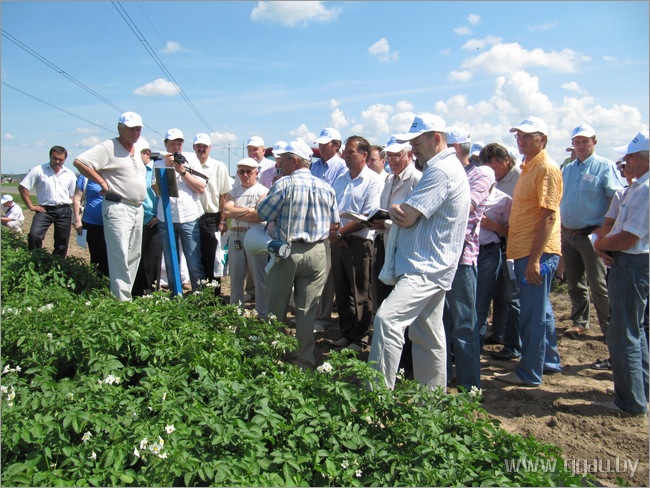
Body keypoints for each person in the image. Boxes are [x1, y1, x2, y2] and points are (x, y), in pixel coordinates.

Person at [368, 114, 470, 390]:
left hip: (424, 267)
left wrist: (394, 209)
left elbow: (408, 216)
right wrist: (400, 209)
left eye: (417, 142)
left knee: (387, 320)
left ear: (436, 138)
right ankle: (431, 404)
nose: (413, 149)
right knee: (427, 334)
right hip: (432, 264)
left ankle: (375, 400)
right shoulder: (444, 168)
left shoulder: (440, 171)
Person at [256, 139, 340, 368]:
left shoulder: (284, 185)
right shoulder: (326, 187)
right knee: (307, 311)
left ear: (294, 161)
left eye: (282, 159)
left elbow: (263, 212)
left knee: (276, 307)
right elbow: (335, 223)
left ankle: (273, 357)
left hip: (287, 251)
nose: (279, 163)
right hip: (318, 251)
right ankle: (303, 360)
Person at [493, 116, 563, 387]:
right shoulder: (530, 167)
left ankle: (529, 372)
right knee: (540, 311)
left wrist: (535, 259)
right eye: (518, 136)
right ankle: (547, 361)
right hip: (528, 251)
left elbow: (548, 215)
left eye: (527, 135)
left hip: (536, 253)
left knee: (532, 313)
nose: (521, 140)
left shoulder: (545, 167)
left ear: (542, 139)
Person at [592, 130, 649, 416]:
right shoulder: (637, 188)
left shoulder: (646, 190)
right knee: (633, 330)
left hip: (632, 264)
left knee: (624, 332)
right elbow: (614, 225)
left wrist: (600, 244)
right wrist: (604, 245)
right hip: (627, 263)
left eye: (630, 156)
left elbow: (629, 237)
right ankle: (641, 393)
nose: (625, 161)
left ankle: (631, 402)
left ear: (644, 158)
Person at [74, 112, 147, 301]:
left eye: (138, 129)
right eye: (131, 129)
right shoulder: (109, 147)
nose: (135, 133)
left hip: (136, 208)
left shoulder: (136, 149)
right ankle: (121, 301)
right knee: (119, 254)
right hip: (118, 207)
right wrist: (101, 182)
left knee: (133, 254)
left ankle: (125, 295)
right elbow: (80, 162)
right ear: (120, 128)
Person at [443, 127, 494, 391]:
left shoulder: (481, 173)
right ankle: (449, 377)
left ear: (455, 148)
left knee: (464, 324)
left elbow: (466, 205)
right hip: (443, 257)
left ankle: (469, 386)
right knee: (443, 322)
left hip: (463, 258)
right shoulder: (449, 173)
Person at [560, 124, 622, 340]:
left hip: (591, 233)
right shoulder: (567, 169)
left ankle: (609, 328)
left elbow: (615, 199)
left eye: (585, 141)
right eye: (577, 142)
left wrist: (604, 229)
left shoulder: (605, 167)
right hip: (568, 233)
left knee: (598, 284)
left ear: (594, 142)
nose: (580, 145)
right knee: (575, 281)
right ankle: (579, 322)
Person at [369, 136, 422, 379]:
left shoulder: (417, 180)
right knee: (383, 300)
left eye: (397, 156)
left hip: (405, 251)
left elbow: (414, 220)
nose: (392, 161)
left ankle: (406, 363)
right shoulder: (389, 179)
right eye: (389, 157)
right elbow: (383, 208)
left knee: (400, 310)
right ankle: (392, 358)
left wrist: (387, 222)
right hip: (385, 244)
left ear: (409, 155)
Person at [330, 136, 382, 352]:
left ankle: (360, 338)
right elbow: (331, 207)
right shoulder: (341, 179)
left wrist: (340, 232)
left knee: (361, 293)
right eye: (345, 151)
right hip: (337, 241)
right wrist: (334, 233)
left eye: (351, 152)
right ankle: (346, 332)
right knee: (342, 292)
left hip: (359, 243)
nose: (346, 156)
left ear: (364, 155)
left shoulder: (373, 181)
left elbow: (369, 216)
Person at [478, 143, 522, 361]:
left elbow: (513, 227)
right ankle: (498, 334)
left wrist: (494, 226)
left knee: (511, 297)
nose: (490, 173)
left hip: (511, 246)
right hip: (491, 249)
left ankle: (512, 344)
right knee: (492, 294)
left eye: (493, 168)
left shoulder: (518, 181)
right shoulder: (483, 184)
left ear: (505, 160)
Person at [154, 128, 206, 292]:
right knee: (170, 261)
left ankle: (199, 295)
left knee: (193, 260)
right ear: (166, 144)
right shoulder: (158, 163)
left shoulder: (191, 160)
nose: (176, 147)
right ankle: (176, 294)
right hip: (166, 217)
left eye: (179, 143)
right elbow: (156, 190)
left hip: (188, 216)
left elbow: (201, 187)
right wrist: (168, 169)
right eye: (172, 143)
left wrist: (182, 171)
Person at [311, 128, 347, 328]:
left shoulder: (342, 167)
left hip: (328, 227)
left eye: (326, 144)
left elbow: (336, 197)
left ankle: (323, 316)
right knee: (315, 272)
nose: (321, 147)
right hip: (314, 226)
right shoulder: (314, 167)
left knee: (326, 275)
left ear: (336, 145)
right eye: (320, 143)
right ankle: (315, 314)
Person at [222, 158, 269, 315]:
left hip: (255, 236)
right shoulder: (232, 192)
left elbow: (259, 215)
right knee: (235, 276)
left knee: (259, 276)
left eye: (249, 171)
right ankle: (236, 311)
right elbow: (227, 212)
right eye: (241, 171)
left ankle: (262, 312)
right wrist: (249, 210)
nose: (245, 175)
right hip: (236, 235)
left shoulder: (262, 191)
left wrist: (237, 211)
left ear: (256, 173)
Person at [19, 146, 76, 257]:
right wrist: (31, 206)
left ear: (65, 159)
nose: (57, 161)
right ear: (50, 156)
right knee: (34, 235)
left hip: (64, 210)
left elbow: (73, 195)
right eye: (55, 158)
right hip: (45, 209)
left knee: (62, 242)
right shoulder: (38, 170)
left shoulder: (70, 174)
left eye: (61, 159)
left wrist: (76, 215)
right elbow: (23, 187)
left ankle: (57, 266)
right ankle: (35, 259)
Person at [193, 133, 232, 295]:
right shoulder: (189, 165)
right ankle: (199, 291)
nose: (201, 149)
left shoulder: (219, 167)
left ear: (210, 148)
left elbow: (224, 195)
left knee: (212, 257)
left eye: (204, 147)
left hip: (210, 217)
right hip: (191, 217)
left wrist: (222, 220)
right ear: (194, 147)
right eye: (198, 146)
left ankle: (214, 294)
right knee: (195, 256)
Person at [132, 146, 162, 297]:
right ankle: (136, 290)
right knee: (135, 256)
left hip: (152, 219)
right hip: (135, 218)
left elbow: (165, 195)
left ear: (146, 154)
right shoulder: (134, 170)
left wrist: (159, 216)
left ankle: (151, 292)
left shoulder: (156, 170)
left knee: (152, 258)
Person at [72, 174, 109, 276]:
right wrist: (78, 220)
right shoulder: (85, 177)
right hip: (91, 222)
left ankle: (106, 281)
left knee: (108, 254)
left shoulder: (111, 173)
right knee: (96, 253)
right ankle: (95, 280)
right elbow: (77, 199)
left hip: (110, 222)